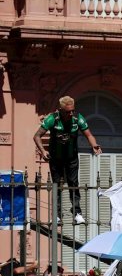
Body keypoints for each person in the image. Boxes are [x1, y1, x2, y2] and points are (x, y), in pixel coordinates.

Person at [33, 95, 102, 225]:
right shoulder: (52, 119)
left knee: (73, 184)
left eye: (72, 111)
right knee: (57, 185)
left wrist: (94, 145)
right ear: (60, 109)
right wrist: (43, 151)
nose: (71, 114)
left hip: (71, 157)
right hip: (56, 158)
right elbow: (37, 136)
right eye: (67, 111)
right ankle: (57, 216)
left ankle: (77, 213)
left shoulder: (77, 119)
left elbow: (89, 134)